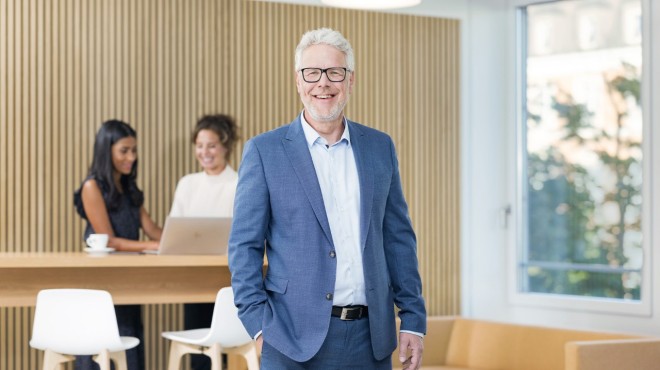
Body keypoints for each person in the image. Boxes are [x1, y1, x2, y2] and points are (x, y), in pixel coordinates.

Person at [228, 28, 426, 370]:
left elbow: (398, 240)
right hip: (290, 338)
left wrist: (412, 319)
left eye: (335, 72)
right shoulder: (265, 151)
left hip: (371, 340)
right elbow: (244, 246)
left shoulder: (380, 147)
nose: (323, 83)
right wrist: (259, 326)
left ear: (349, 81)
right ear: (298, 81)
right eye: (312, 72)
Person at [73, 119, 162, 370]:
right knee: (104, 343)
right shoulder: (92, 187)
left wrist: (181, 239)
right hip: (101, 281)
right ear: (106, 150)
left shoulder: (129, 188)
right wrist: (151, 246)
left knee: (130, 339)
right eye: (124, 150)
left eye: (134, 150)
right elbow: (109, 239)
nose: (131, 157)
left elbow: (153, 230)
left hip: (128, 279)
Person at [169, 114, 239, 370]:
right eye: (199, 145)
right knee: (198, 344)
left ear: (225, 146)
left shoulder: (239, 184)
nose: (204, 152)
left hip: (228, 277)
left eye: (211, 145)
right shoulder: (188, 184)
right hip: (193, 277)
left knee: (225, 344)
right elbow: (176, 231)